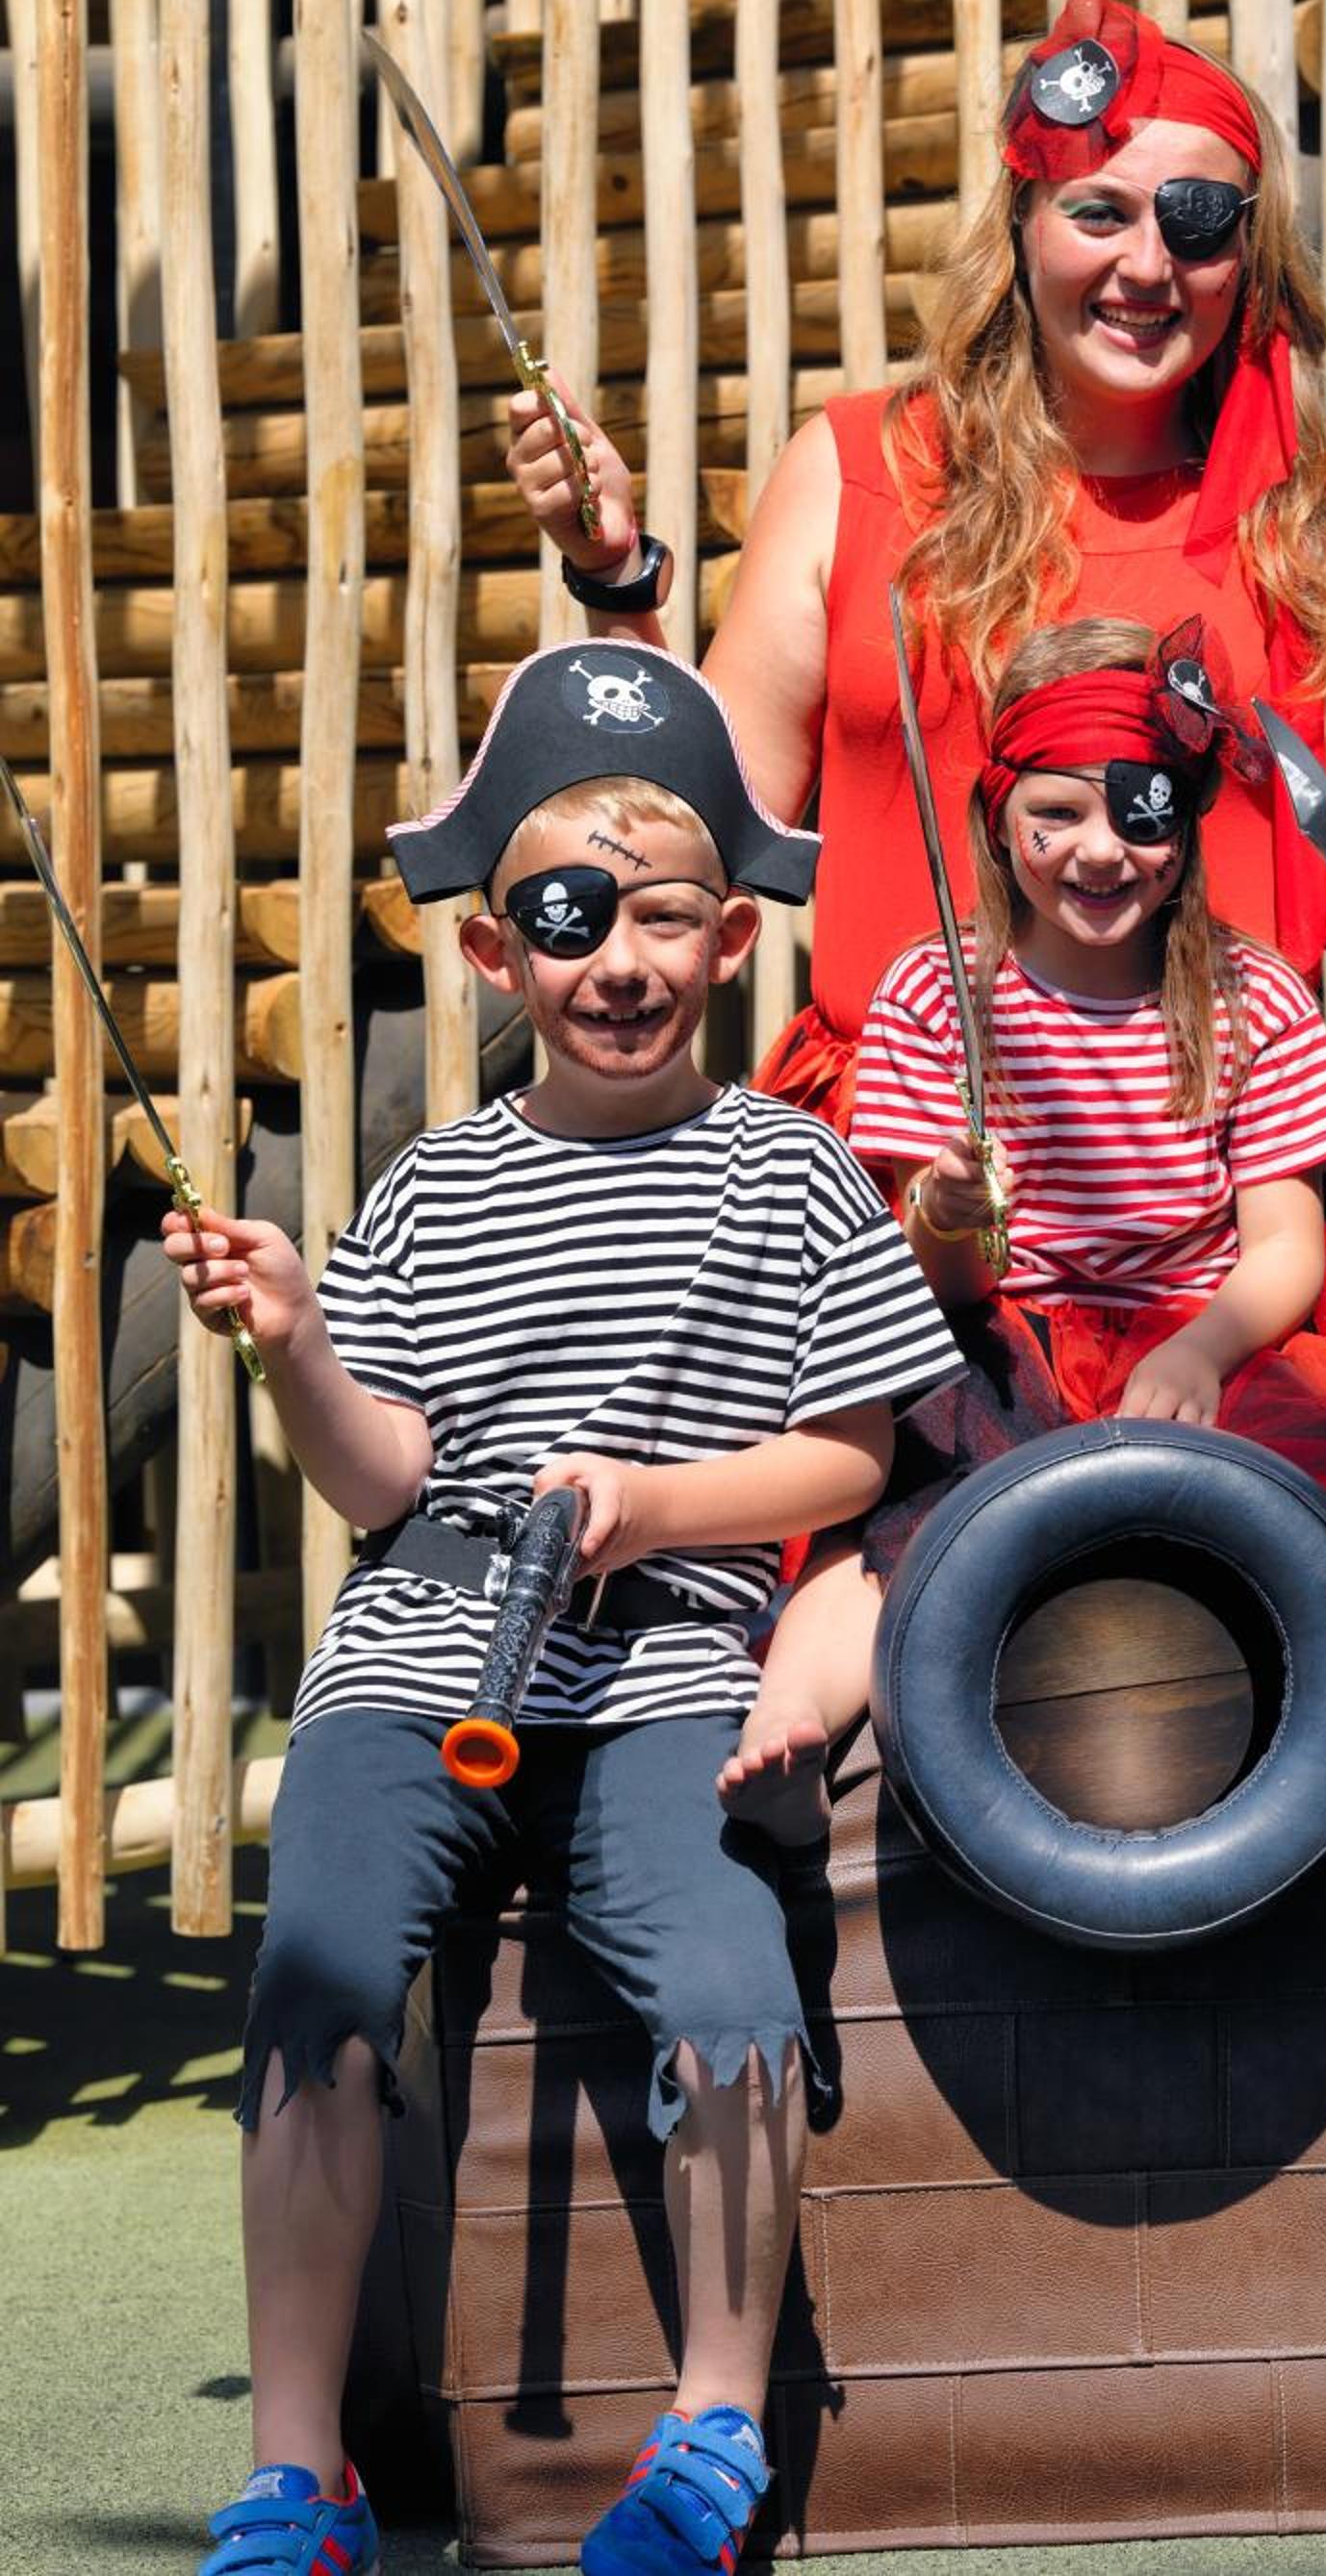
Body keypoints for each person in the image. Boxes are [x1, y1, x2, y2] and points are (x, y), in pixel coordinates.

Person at [168, 644, 961, 2576]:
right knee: (319, 1978)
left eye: (663, 915)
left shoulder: (795, 1173)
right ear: (493, 955)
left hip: (670, 1661)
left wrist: (651, 1503)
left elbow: (850, 1456)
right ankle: (299, 2468)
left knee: (732, 1988)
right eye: (566, 918)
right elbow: (382, 1480)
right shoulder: (431, 1188)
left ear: (731, 940)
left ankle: (715, 2427)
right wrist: (292, 1344)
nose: (617, 960)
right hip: (416, 1656)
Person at [504, 0, 1326, 1124]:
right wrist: (616, 579)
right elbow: (697, 835)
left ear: (1247, 254)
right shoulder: (855, 470)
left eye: (1196, 222)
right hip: (903, 1148)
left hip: (1205, 1167)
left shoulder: (1313, 518)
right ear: (1024, 223)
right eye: (1098, 213)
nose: (1149, 266)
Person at [719, 618, 1326, 1847]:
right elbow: (935, 1281)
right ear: (998, 818)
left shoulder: (1250, 993)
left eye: (1140, 814)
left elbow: (1287, 1247)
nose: (1102, 850)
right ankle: (794, 1724)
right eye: (1060, 813)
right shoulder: (937, 992)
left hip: (1204, 1332)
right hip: (994, 1334)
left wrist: (1203, 1348)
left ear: (1184, 826)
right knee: (886, 1520)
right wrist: (946, 1219)